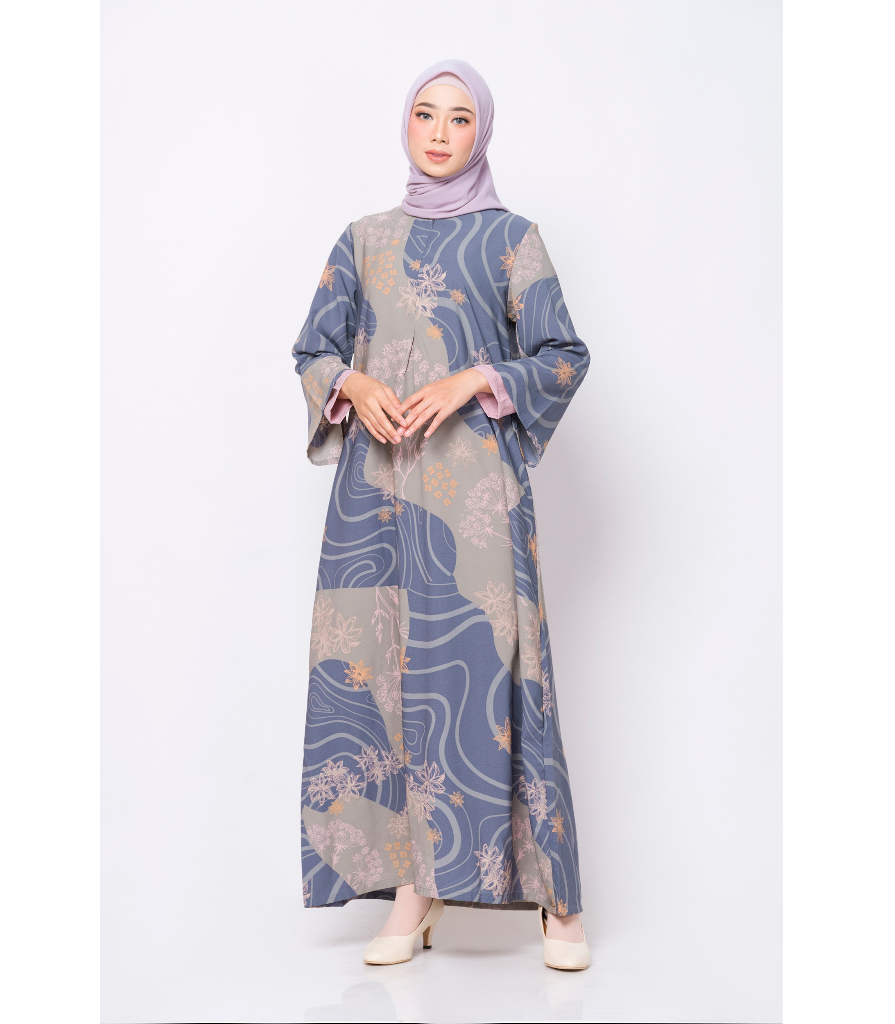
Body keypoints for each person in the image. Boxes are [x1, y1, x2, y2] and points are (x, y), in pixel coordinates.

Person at [292, 59, 591, 971]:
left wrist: (476, 378)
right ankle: (412, 894)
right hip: (376, 497)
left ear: (481, 134)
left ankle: (557, 901)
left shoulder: (512, 240)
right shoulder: (364, 239)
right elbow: (313, 350)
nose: (438, 132)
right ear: (406, 124)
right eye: (426, 113)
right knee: (380, 682)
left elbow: (564, 354)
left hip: (477, 502)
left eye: (459, 118)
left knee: (500, 680)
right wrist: (352, 383)